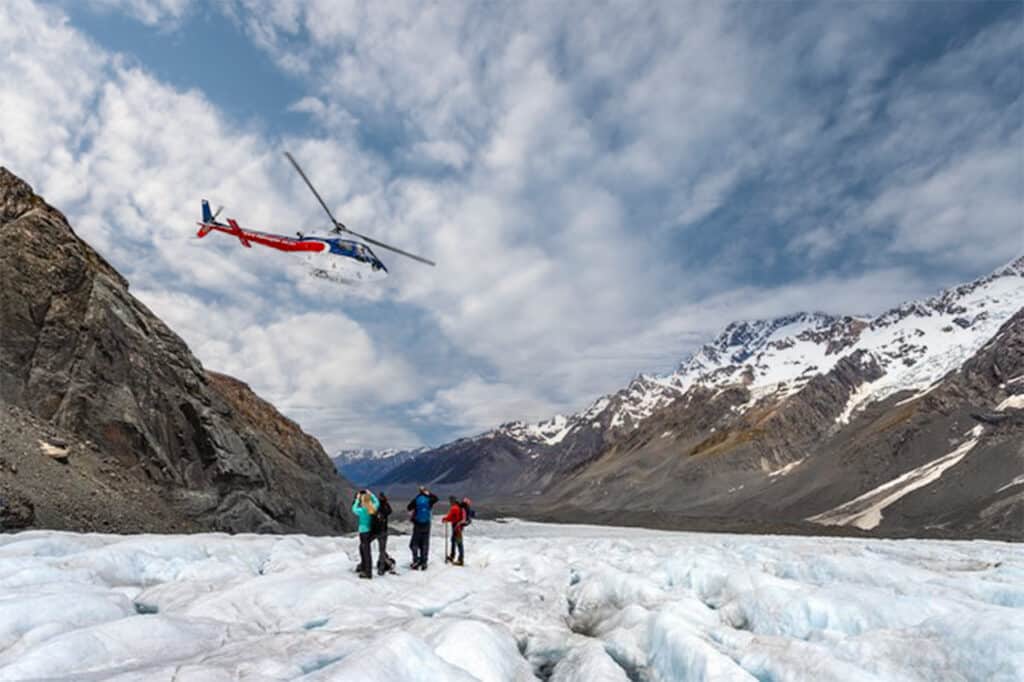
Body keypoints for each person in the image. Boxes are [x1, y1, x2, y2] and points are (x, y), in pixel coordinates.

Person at [406, 485, 438, 570]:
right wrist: (429, 494)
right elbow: (436, 498)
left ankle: (415, 560)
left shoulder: (416, 499)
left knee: (414, 543)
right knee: (425, 544)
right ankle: (424, 562)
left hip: (417, 524)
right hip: (427, 524)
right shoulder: (429, 500)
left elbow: (409, 507)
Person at [351, 489, 379, 579]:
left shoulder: (362, 510)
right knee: (365, 550)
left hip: (363, 532)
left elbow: (354, 509)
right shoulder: (372, 508)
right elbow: (377, 502)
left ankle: (367, 572)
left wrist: (357, 500)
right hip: (370, 531)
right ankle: (366, 569)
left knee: (365, 551)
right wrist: (371, 494)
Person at [442, 495, 466, 566]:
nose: (450, 502)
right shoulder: (458, 507)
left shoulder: (454, 508)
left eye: (450, 501)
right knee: (454, 541)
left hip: (456, 527)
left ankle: (460, 560)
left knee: (458, 543)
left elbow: (450, 517)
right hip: (459, 527)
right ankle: (453, 556)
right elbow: (455, 517)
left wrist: (445, 519)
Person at [375, 491, 394, 575]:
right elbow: (390, 511)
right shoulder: (386, 506)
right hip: (384, 530)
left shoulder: (376, 506)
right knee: (382, 550)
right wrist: (386, 502)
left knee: (381, 549)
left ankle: (381, 565)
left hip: (377, 530)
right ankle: (381, 567)